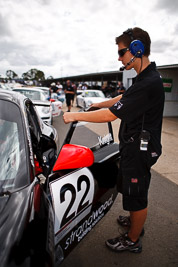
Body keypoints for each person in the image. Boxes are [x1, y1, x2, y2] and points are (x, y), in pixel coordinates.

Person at [63, 27, 165, 253]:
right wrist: (100, 102)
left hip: (140, 150)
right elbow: (123, 98)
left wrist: (75, 115)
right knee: (131, 191)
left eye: (121, 52)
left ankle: (132, 240)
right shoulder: (144, 78)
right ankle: (134, 224)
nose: (118, 58)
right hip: (135, 146)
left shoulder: (148, 83)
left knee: (137, 196)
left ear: (136, 50)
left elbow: (112, 116)